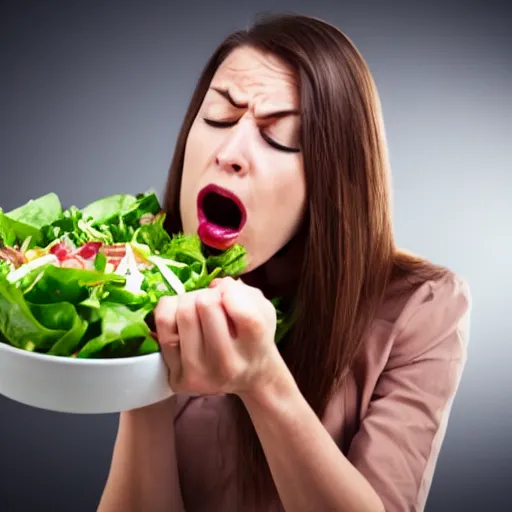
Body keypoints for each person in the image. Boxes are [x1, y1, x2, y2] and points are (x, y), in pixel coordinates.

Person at [97, 12, 471, 512]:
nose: (231, 152)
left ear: (336, 181)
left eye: (282, 137)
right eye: (217, 117)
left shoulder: (423, 307)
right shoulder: (150, 273)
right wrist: (140, 367)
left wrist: (263, 380)